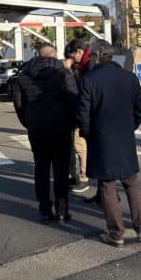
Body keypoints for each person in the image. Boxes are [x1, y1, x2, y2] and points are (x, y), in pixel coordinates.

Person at [77, 40, 141, 247]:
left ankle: (116, 234)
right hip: (125, 137)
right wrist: (130, 127)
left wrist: (89, 134)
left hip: (101, 139)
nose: (90, 58)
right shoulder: (129, 78)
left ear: (97, 56)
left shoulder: (89, 79)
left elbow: (83, 113)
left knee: (108, 186)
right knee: (132, 183)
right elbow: (140, 109)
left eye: (91, 55)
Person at [11, 44, 78, 223]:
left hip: (36, 128)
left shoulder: (23, 76)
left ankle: (44, 209)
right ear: (54, 55)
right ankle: (62, 209)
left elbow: (19, 106)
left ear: (37, 55)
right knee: (61, 170)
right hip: (61, 128)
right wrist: (72, 124)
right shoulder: (64, 74)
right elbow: (73, 101)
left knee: (41, 168)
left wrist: (29, 123)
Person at [63, 39, 91, 193]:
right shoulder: (85, 63)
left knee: (80, 146)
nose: (72, 61)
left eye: (72, 57)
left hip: (82, 112)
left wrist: (68, 72)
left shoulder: (86, 66)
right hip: (82, 111)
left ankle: (84, 176)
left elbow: (76, 90)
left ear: (79, 52)